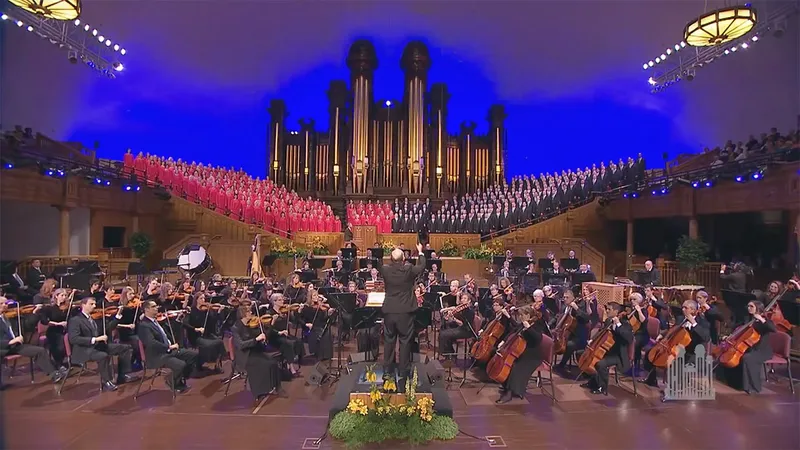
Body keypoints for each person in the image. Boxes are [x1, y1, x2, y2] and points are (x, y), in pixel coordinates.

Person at [67, 296, 136, 391]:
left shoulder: (95, 318)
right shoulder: (75, 320)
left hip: (98, 346)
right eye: (91, 304)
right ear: (83, 305)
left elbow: (108, 328)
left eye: (95, 304)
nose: (94, 306)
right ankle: (106, 381)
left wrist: (117, 317)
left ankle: (122, 375)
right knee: (103, 356)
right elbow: (74, 339)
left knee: (125, 348)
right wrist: (95, 339)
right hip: (83, 350)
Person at [379, 243, 426, 380]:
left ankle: (388, 371)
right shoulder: (408, 269)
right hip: (405, 311)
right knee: (405, 341)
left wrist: (383, 253)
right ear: (404, 259)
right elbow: (421, 267)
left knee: (389, 340)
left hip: (389, 311)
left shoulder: (386, 269)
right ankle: (403, 371)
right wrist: (420, 252)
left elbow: (378, 262)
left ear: (391, 259)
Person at [640, 300, 711, 388]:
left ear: (693, 310)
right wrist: (662, 335)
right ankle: (651, 379)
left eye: (686, 308)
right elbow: (673, 330)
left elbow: (706, 337)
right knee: (650, 352)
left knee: (674, 361)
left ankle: (677, 387)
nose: (683, 309)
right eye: (683, 307)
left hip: (692, 351)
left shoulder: (703, 322)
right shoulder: (681, 318)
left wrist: (693, 323)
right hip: (676, 347)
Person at [0, 297, 67, 384]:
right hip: (3, 348)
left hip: (16, 346)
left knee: (40, 351)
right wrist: (10, 342)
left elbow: (28, 326)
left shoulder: (8, 317)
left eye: (6, 303)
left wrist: (34, 313)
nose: (5, 305)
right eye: (2, 303)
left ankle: (54, 374)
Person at [137, 300, 198, 393]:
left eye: (156, 306)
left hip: (168, 351)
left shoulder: (156, 321)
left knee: (193, 355)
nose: (157, 308)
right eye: (153, 306)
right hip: (157, 356)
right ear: (146, 310)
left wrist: (178, 321)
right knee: (180, 365)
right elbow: (151, 343)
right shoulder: (144, 325)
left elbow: (170, 333)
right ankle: (172, 381)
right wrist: (168, 347)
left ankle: (177, 379)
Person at [580, 302, 634, 395]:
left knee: (600, 364)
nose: (607, 311)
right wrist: (592, 340)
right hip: (608, 350)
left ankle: (602, 387)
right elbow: (601, 332)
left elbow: (629, 338)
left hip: (618, 354)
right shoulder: (609, 321)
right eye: (607, 309)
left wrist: (618, 325)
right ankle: (594, 382)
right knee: (585, 355)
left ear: (616, 311)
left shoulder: (625, 323)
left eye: (609, 309)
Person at [723, 300, 776, 394]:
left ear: (758, 308)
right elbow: (738, 328)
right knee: (731, 355)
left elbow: (773, 329)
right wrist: (730, 336)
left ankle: (754, 387)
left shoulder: (764, 321)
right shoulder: (748, 319)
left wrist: (761, 319)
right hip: (750, 348)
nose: (749, 308)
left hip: (761, 350)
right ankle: (736, 384)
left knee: (747, 358)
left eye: (751, 306)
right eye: (748, 306)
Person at [497, 305, 546, 403]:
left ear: (528, 315)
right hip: (522, 350)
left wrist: (528, 327)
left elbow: (537, 339)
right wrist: (504, 341)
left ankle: (509, 393)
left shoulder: (537, 324)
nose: (520, 317)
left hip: (533, 355)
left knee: (515, 365)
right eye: (519, 316)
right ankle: (507, 386)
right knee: (510, 362)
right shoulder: (523, 323)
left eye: (522, 315)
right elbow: (514, 331)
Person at [232, 304, 282, 401]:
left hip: (255, 352)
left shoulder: (252, 325)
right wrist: (256, 339)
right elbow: (241, 345)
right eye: (249, 311)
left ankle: (277, 387)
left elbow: (264, 335)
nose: (251, 313)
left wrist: (268, 328)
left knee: (273, 362)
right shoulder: (236, 328)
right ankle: (259, 392)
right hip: (244, 356)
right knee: (262, 364)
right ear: (243, 314)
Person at [553, 289, 591, 373]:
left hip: (578, 336)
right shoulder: (564, 306)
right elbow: (558, 316)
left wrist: (576, 308)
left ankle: (562, 365)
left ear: (573, 298)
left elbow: (586, 318)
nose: (565, 299)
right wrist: (550, 324)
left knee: (570, 345)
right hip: (567, 333)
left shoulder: (580, 306)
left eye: (567, 297)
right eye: (564, 297)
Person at [265, 293, 304, 376]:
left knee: (298, 341)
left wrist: (299, 311)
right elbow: (268, 330)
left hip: (285, 335)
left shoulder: (285, 311)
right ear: (274, 302)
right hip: (275, 337)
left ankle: (291, 360)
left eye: (282, 299)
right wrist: (279, 332)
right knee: (288, 344)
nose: (282, 301)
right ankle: (291, 368)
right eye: (280, 300)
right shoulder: (269, 313)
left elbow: (295, 321)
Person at [438, 292, 477, 356]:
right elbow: (455, 309)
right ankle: (449, 352)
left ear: (469, 301)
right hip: (461, 328)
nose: (462, 300)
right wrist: (449, 315)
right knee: (443, 329)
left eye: (465, 298)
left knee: (444, 334)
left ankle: (448, 353)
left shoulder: (470, 311)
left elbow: (462, 324)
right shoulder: (462, 308)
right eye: (462, 298)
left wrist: (453, 319)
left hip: (467, 331)